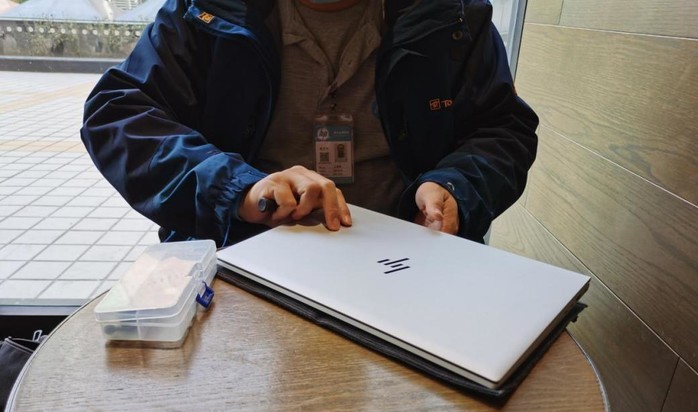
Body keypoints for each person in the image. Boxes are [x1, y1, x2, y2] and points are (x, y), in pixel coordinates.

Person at [81, 0, 538, 247]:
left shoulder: (453, 15)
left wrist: (456, 186)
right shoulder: (206, 10)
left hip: (408, 257)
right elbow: (116, 113)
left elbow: (504, 127)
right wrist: (239, 189)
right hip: (239, 250)